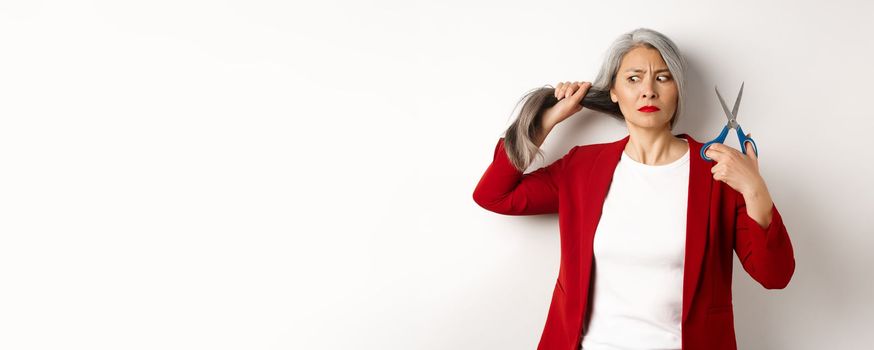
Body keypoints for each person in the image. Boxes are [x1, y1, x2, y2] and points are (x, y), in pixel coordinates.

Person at [472, 28, 795, 350]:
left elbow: (775, 276)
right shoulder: (583, 167)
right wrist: (544, 123)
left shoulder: (719, 171)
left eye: (663, 78)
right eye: (633, 78)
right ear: (613, 91)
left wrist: (755, 190)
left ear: (678, 90)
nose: (648, 91)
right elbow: (494, 195)